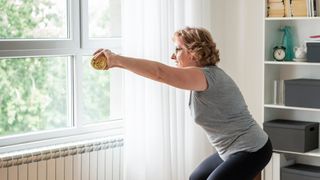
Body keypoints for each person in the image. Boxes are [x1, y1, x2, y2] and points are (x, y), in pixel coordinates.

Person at [93, 27, 272, 180]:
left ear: (194, 53)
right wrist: (115, 63)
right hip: (231, 150)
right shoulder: (203, 75)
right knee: (196, 178)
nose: (173, 55)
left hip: (253, 149)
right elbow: (158, 73)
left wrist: (117, 59)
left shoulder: (205, 76)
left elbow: (159, 73)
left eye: (178, 49)